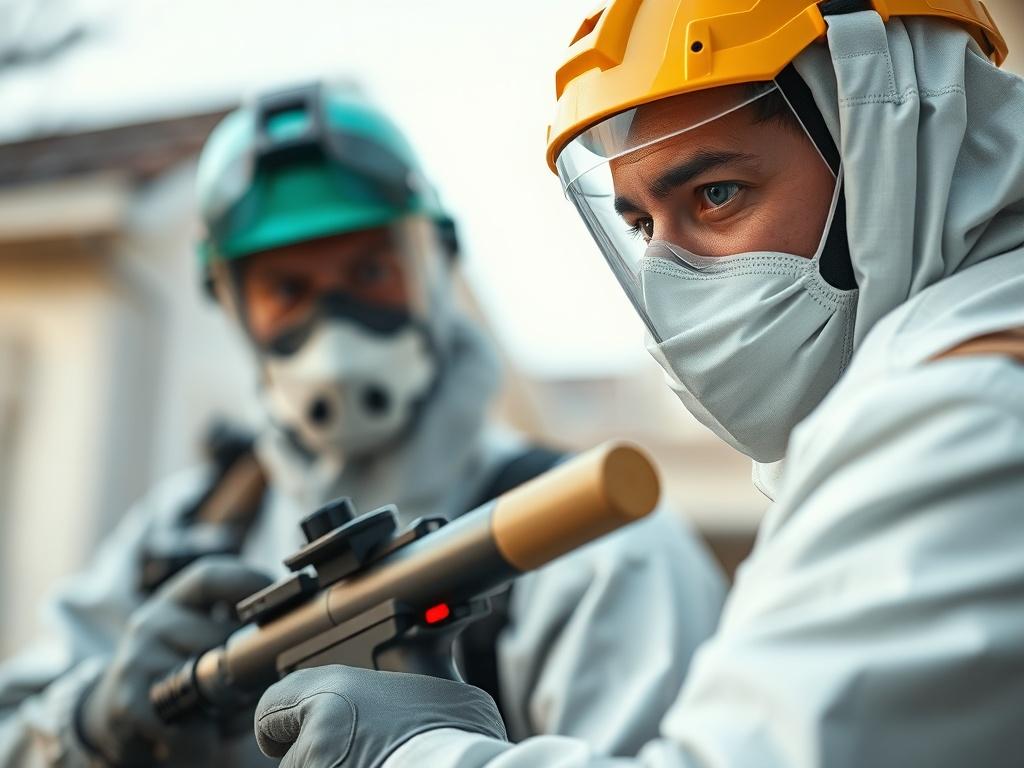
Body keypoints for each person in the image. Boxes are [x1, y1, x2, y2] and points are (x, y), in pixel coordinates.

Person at [246, 3, 1024, 767]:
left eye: (716, 193)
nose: (665, 280)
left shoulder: (966, 410)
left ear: (889, 133)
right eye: (642, 228)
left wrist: (412, 754)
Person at [0, 82, 727, 766]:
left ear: (437, 268)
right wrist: (83, 727)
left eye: (371, 272)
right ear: (232, 308)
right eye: (287, 287)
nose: (336, 326)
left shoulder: (584, 544)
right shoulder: (174, 542)